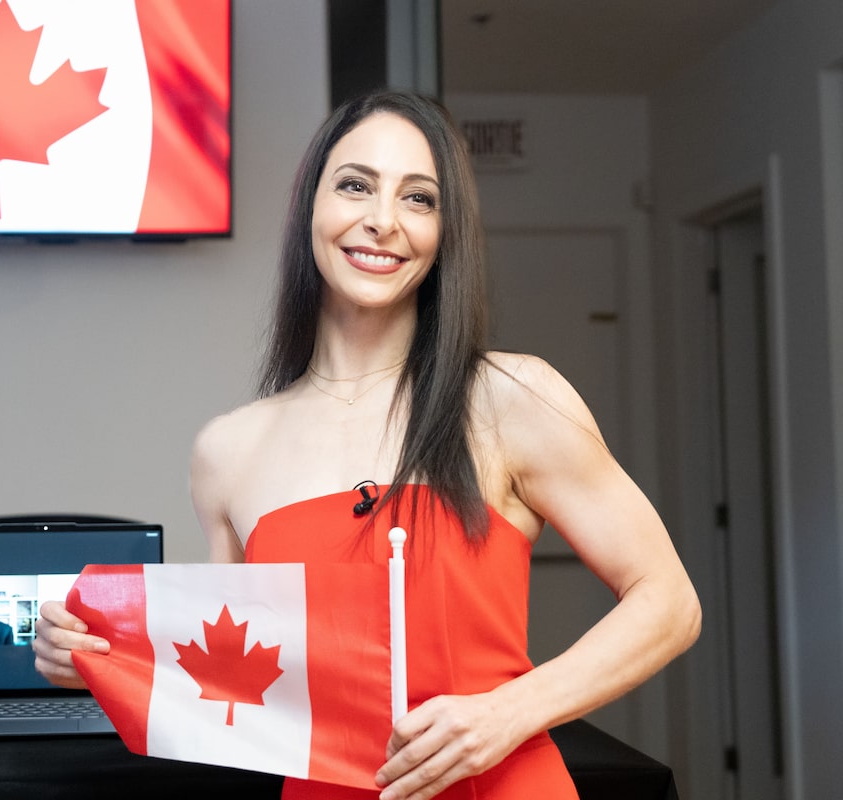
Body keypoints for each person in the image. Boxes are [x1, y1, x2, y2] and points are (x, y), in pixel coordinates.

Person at [34, 89, 701, 799]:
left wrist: (507, 713)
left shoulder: (512, 396)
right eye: (355, 185)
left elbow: (669, 601)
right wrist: (91, 652)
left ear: (446, 232)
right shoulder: (229, 450)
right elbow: (237, 676)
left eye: (419, 199)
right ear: (310, 208)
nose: (382, 221)